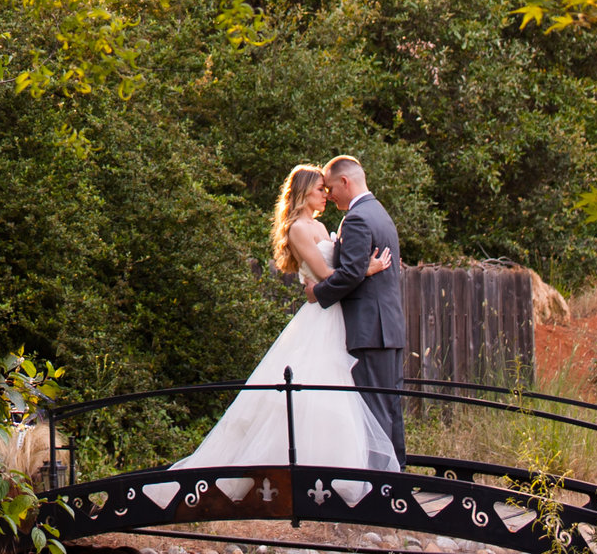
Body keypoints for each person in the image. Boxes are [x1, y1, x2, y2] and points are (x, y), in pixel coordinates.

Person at [143, 163, 395, 504]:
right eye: (321, 189)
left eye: (328, 188)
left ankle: (336, 477)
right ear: (305, 191)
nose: (327, 194)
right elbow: (325, 274)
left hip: (337, 316)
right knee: (307, 394)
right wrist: (365, 269)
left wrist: (350, 273)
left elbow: (332, 276)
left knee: (334, 399)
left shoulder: (324, 225)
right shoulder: (298, 229)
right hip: (320, 317)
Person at [309, 154, 407, 465]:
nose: (328, 194)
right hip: (388, 328)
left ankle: (381, 488)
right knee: (390, 406)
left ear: (345, 182)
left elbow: (351, 273)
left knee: (373, 409)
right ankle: (397, 477)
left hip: (369, 329)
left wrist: (317, 293)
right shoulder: (380, 213)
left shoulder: (357, 218)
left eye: (329, 187)